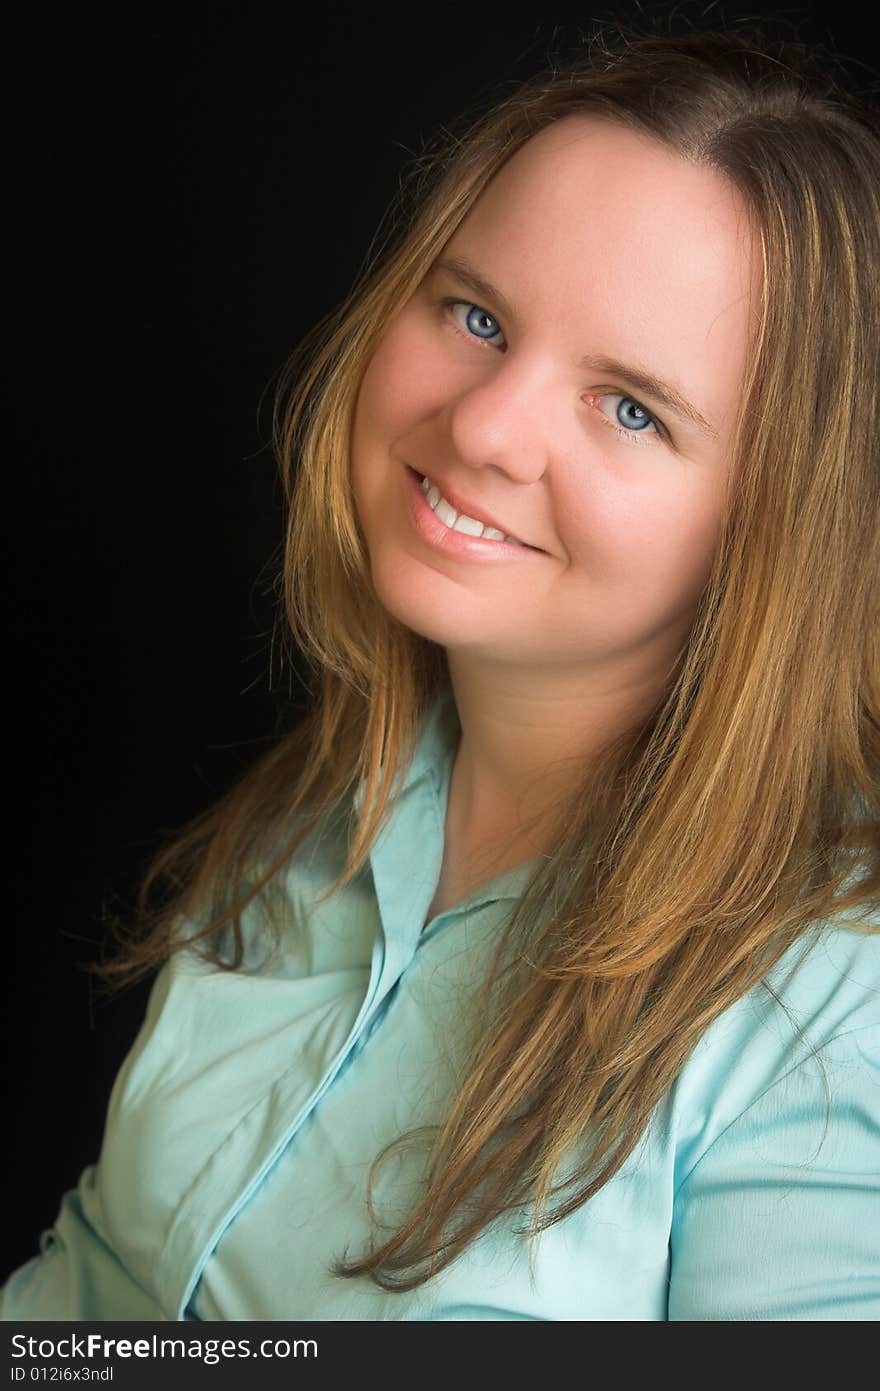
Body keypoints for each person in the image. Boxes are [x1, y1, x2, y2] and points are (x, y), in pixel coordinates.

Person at [3, 19, 878, 1322]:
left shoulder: (835, 1001)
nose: (482, 426)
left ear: (781, 525)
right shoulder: (324, 805)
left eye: (630, 405)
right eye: (476, 315)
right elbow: (94, 1297)